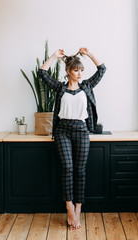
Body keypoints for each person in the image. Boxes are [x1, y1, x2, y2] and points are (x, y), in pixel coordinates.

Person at [38, 48, 107, 230]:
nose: (80, 73)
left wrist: (90, 53)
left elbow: (102, 69)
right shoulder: (60, 88)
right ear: (69, 71)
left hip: (81, 130)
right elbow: (42, 73)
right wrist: (54, 56)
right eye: (76, 70)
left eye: (81, 70)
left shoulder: (86, 86)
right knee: (67, 168)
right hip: (63, 130)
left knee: (80, 171)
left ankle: (78, 209)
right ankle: (68, 206)